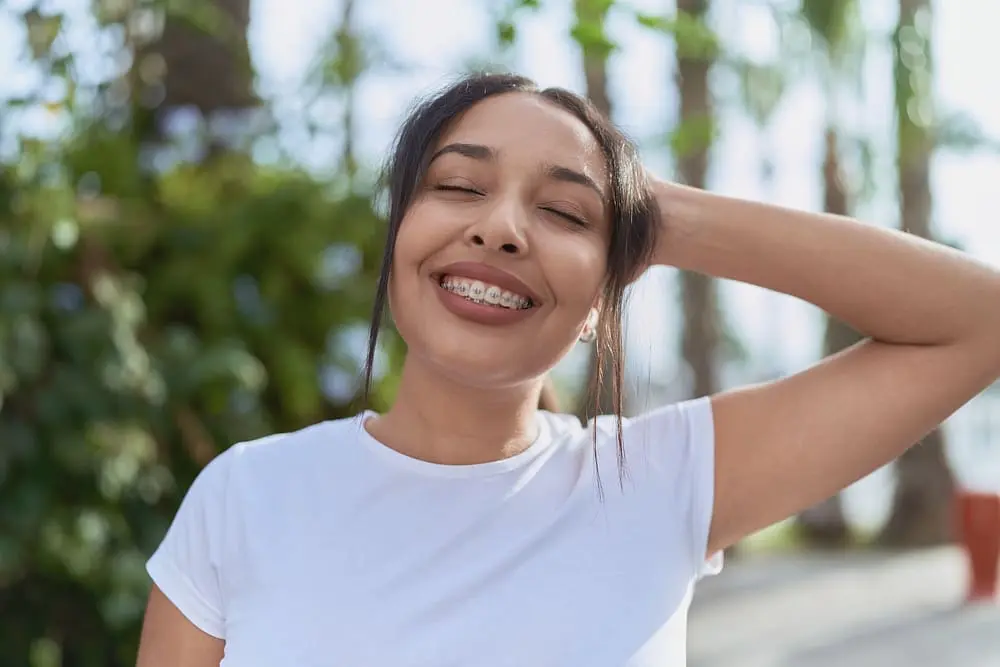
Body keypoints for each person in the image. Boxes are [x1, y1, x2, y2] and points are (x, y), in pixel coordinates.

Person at [135, 73, 1000, 667]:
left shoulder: (658, 482)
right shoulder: (245, 496)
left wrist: (661, 214)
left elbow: (976, 318)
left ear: (601, 303)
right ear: (396, 238)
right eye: (459, 188)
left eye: (561, 212)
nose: (502, 229)